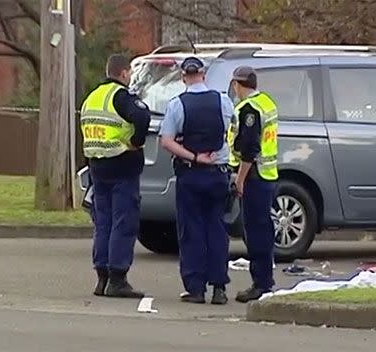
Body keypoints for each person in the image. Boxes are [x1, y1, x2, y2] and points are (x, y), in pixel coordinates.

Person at [159, 57, 234, 305]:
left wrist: (194, 156)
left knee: (192, 231)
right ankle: (220, 287)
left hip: (191, 173)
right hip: (218, 173)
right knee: (217, 229)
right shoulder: (222, 101)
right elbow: (230, 128)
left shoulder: (177, 105)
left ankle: (196, 288)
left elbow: (167, 141)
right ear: (203, 75)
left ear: (183, 77)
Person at [80, 53, 151, 298]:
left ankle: (102, 277)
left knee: (103, 222)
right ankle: (118, 278)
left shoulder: (92, 97)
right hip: (122, 164)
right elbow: (142, 116)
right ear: (123, 73)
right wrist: (136, 141)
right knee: (124, 221)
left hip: (98, 166)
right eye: (129, 73)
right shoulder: (120, 95)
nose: (130, 77)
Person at [227, 66, 279, 303]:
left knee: (256, 232)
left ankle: (261, 283)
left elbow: (249, 148)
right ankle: (265, 280)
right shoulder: (266, 101)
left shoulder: (249, 109)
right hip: (267, 175)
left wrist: (240, 179)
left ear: (238, 85)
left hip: (254, 176)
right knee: (263, 229)